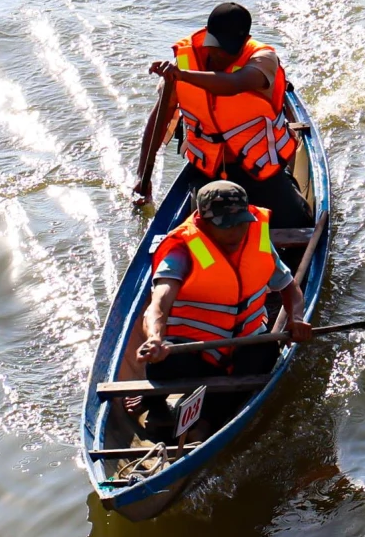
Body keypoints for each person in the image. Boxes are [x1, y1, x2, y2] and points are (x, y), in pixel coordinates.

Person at [116, 180, 313, 429]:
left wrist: (296, 318)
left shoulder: (256, 236)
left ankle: (209, 420)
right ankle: (156, 405)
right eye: (225, 225)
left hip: (243, 342)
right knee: (162, 357)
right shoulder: (182, 249)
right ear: (203, 222)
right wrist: (154, 338)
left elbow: (289, 288)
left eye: (241, 222)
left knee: (267, 353)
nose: (236, 231)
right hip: (194, 349)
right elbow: (158, 304)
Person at [131, 2, 313, 228]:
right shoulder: (184, 61)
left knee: (298, 225)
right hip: (209, 172)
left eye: (229, 49)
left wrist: (182, 76)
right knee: (200, 237)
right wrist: (142, 176)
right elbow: (159, 118)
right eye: (215, 46)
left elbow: (233, 84)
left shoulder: (263, 58)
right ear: (207, 33)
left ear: (245, 40)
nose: (220, 55)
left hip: (260, 168)